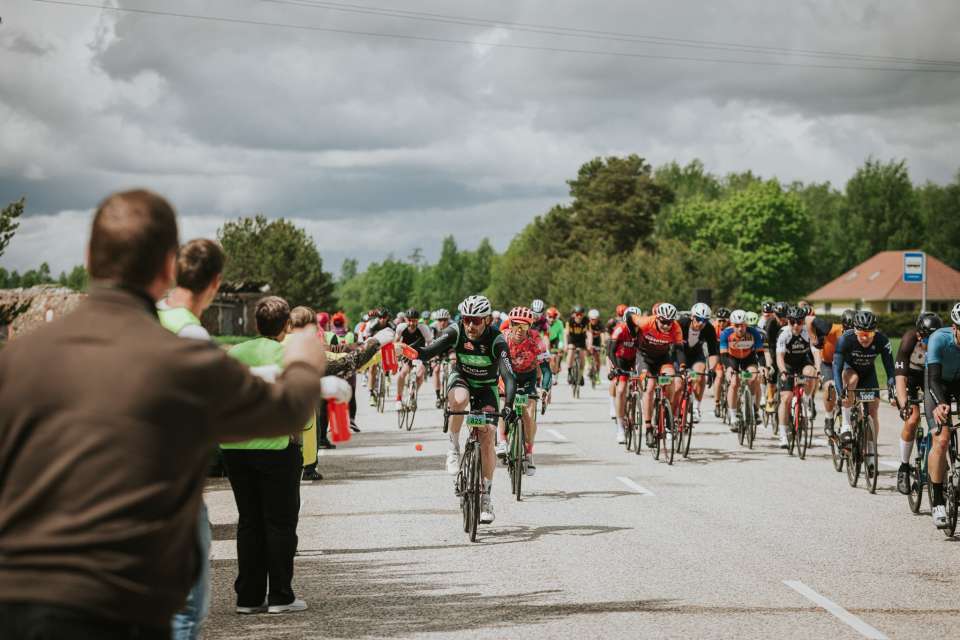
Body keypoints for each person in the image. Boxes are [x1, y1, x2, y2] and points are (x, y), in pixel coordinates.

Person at [0, 189, 327, 640]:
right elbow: (287, 411)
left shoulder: (15, 360)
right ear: (167, 266)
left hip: (16, 601)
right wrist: (305, 363)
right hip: (121, 604)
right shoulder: (184, 360)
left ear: (90, 257)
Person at [156, 238, 225, 640]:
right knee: (185, 616)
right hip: (175, 493)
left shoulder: (147, 318)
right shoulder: (192, 336)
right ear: (214, 283)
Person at [409, 295, 516, 525]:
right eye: (467, 319)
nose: (470, 325)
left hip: (487, 388)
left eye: (476, 320)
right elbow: (430, 352)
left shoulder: (497, 340)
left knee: (488, 438)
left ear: (487, 320)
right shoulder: (455, 331)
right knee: (459, 400)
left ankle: (486, 496)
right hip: (463, 380)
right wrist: (407, 350)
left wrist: (508, 406)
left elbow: (508, 377)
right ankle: (453, 447)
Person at [833, 311, 895, 473]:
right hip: (849, 370)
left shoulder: (882, 340)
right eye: (862, 333)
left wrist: (891, 386)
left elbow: (890, 367)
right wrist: (841, 392)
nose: (866, 337)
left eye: (869, 333)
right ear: (855, 330)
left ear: (875, 331)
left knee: (873, 413)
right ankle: (846, 424)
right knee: (851, 382)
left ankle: (870, 452)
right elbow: (836, 367)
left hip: (868, 373)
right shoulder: (845, 339)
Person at [496, 306, 552, 476]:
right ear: (510, 325)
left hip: (528, 376)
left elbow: (546, 369)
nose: (519, 331)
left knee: (528, 415)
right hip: (508, 375)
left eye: (524, 326)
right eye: (516, 325)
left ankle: (529, 453)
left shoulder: (536, 340)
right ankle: (503, 441)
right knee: (504, 402)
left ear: (530, 327)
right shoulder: (502, 338)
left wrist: (545, 388)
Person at [894, 312, 942, 495]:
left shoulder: (943, 340)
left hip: (933, 377)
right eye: (928, 341)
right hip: (912, 378)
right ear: (919, 336)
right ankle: (904, 467)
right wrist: (904, 404)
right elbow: (900, 379)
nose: (932, 346)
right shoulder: (909, 340)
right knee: (912, 421)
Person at [628, 304, 685, 449]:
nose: (666, 325)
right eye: (663, 322)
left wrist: (683, 366)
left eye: (669, 322)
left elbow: (679, 348)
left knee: (671, 378)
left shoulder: (676, 327)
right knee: (649, 387)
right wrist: (634, 335)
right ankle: (648, 429)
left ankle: (667, 411)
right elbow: (629, 316)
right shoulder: (647, 322)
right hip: (644, 358)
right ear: (657, 318)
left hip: (662, 358)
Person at [924, 304, 960, 528]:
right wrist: (940, 403)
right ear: (955, 328)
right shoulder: (939, 339)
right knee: (942, 438)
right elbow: (933, 379)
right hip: (938, 383)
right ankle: (937, 501)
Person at [775, 306, 819, 449]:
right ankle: (783, 435)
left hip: (802, 363)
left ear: (803, 322)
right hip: (787, 365)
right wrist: (782, 371)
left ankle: (806, 401)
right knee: (786, 398)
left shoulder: (808, 331)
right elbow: (779, 356)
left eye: (799, 322)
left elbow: (816, 352)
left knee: (811, 371)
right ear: (788, 321)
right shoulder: (783, 333)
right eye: (792, 322)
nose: (795, 325)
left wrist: (818, 369)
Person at [807, 309, 855, 438]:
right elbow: (808, 319)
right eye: (847, 330)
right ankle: (829, 417)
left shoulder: (860, 336)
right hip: (828, 363)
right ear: (842, 327)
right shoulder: (831, 329)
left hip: (847, 365)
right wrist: (814, 340)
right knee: (830, 387)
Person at [719, 310, 765, 432]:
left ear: (746, 324)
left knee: (755, 377)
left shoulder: (753, 332)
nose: (739, 328)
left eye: (742, 325)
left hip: (748, 358)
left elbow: (760, 352)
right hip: (732, 359)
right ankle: (733, 417)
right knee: (734, 383)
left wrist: (764, 366)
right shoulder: (726, 333)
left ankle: (754, 406)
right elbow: (723, 355)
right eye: (736, 325)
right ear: (732, 324)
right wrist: (728, 368)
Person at [676, 303, 720, 423]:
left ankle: (696, 407)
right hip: (678, 354)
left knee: (700, 374)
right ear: (692, 316)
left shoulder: (709, 329)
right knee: (678, 384)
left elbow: (712, 352)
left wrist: (712, 369)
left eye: (704, 320)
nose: (701, 323)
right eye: (698, 319)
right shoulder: (681, 324)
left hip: (695, 355)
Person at [394, 307, 433, 410]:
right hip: (406, 353)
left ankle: (412, 395)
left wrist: (433, 358)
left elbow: (430, 344)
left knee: (420, 374)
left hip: (420, 353)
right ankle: (398, 399)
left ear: (418, 320)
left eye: (414, 320)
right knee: (403, 372)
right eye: (409, 320)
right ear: (406, 320)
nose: (411, 323)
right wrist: (395, 356)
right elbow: (395, 342)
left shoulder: (424, 328)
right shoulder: (400, 328)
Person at [363, 308, 396, 404]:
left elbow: (396, 337)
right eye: (380, 317)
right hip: (376, 344)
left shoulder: (391, 324)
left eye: (384, 317)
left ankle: (386, 375)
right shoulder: (373, 325)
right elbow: (369, 339)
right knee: (372, 367)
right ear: (377, 318)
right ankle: (371, 394)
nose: (382, 320)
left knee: (390, 353)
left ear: (387, 317)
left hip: (387, 344)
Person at [429, 309, 454, 408]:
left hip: (449, 347)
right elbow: (431, 342)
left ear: (448, 319)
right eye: (440, 320)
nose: (442, 322)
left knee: (453, 360)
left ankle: (453, 378)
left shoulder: (453, 325)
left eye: (444, 320)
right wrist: (433, 357)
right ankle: (438, 396)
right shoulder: (433, 326)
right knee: (436, 370)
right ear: (437, 320)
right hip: (438, 347)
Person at [564, 304, 593, 386]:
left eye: (581, 315)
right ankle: (569, 372)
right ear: (574, 315)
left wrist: (590, 344)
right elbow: (566, 333)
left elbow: (589, 333)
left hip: (581, 338)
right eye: (577, 315)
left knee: (582, 355)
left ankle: (581, 374)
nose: (579, 317)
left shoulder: (586, 321)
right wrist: (566, 344)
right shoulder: (569, 320)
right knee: (570, 352)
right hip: (572, 337)